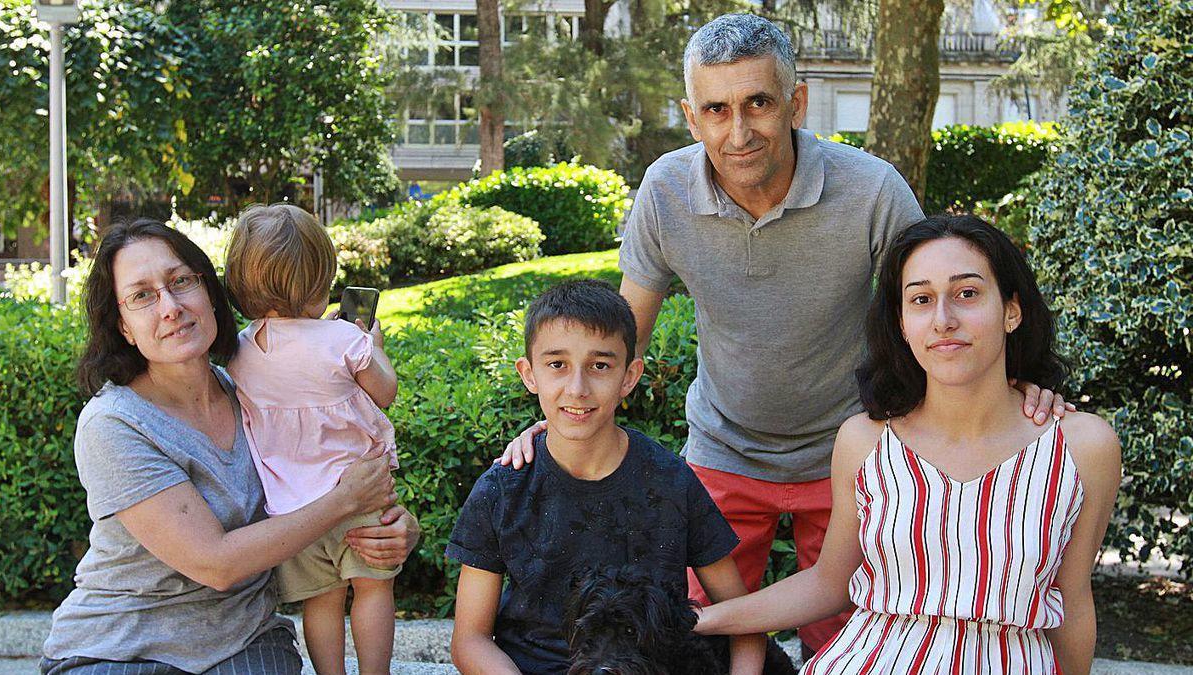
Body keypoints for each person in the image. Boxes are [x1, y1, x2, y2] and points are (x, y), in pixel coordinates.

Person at [500, 13, 1071, 657]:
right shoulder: (665, 191)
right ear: (691, 117)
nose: (738, 131)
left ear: (796, 103)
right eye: (716, 109)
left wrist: (1019, 383)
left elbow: (940, 300)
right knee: (689, 639)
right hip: (723, 448)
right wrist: (569, 412)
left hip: (857, 451)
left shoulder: (872, 190)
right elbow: (619, 337)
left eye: (759, 103)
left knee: (852, 641)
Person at [693, 215, 1122, 674]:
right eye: (921, 300)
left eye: (967, 294)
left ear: (1012, 311)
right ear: (901, 322)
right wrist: (699, 620)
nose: (943, 320)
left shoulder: (1083, 446)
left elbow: (1072, 599)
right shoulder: (864, 441)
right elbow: (827, 584)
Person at [41, 218, 419, 675]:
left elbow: (317, 476)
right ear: (123, 325)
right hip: (123, 648)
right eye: (142, 295)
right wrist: (347, 502)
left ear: (209, 291)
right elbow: (215, 563)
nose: (170, 306)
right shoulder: (115, 424)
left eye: (181, 281)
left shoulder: (253, 390)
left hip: (244, 643)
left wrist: (393, 530)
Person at [448, 280, 768, 674]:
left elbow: (744, 621)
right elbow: (469, 639)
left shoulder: (671, 481)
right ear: (529, 375)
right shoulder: (502, 491)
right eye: (557, 365)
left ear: (629, 377)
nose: (577, 388)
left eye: (600, 366)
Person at [224, 204, 401, 675]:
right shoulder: (342, 338)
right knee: (372, 588)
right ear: (319, 280)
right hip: (360, 493)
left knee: (321, 601)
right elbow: (385, 393)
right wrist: (375, 348)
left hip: (293, 512)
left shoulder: (238, 352)